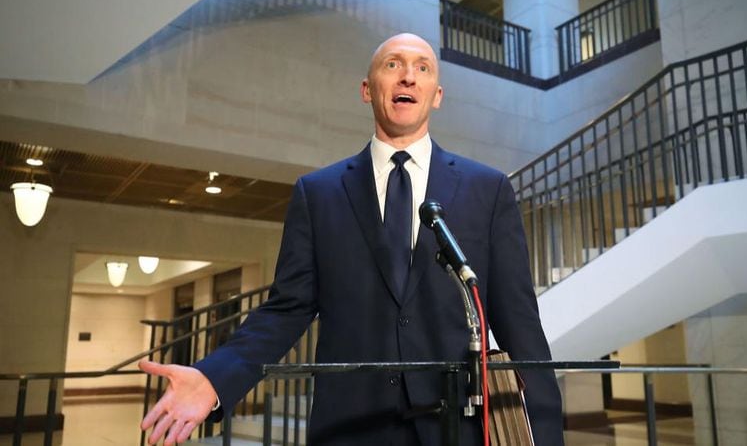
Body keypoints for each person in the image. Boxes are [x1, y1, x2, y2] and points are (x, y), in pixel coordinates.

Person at [139, 33, 564, 446]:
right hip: (351, 426)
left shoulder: (487, 190)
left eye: (422, 68)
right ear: (367, 89)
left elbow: (519, 324)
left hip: (455, 423)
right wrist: (215, 377)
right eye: (392, 65)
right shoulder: (317, 193)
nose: (408, 77)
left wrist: (544, 434)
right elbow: (287, 309)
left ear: (436, 94)